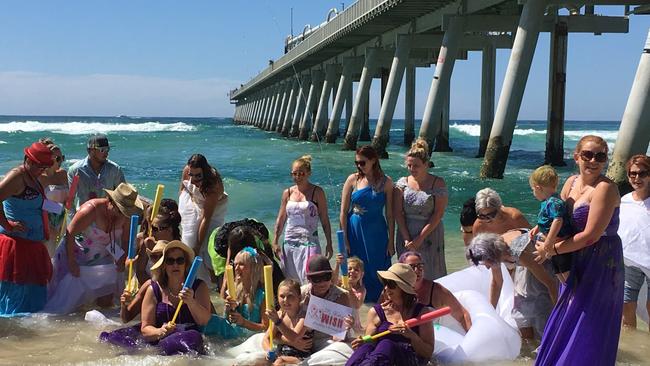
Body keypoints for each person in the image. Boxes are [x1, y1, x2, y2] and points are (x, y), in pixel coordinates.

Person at [533, 135, 623, 365]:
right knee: (569, 314)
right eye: (588, 155)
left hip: (600, 261)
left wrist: (551, 249)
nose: (593, 161)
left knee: (588, 322)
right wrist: (540, 229)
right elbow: (558, 216)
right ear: (576, 157)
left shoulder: (605, 189)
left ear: (605, 160)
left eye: (600, 156)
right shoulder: (571, 182)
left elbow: (590, 236)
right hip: (574, 257)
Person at [45, 183, 144, 313]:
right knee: (71, 303)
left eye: (125, 211)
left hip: (105, 253)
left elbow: (125, 240)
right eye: (120, 210)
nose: (121, 215)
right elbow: (69, 234)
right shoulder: (91, 209)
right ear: (111, 202)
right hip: (76, 253)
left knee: (106, 299)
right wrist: (71, 261)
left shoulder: (126, 216)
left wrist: (122, 258)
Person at [471, 188, 552, 341]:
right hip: (500, 255)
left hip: (524, 258)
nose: (487, 220)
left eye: (491, 215)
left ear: (499, 208)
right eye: (482, 216)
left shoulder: (514, 217)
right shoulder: (479, 226)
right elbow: (496, 278)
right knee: (516, 308)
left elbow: (532, 241)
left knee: (532, 299)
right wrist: (490, 313)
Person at [0, 142, 54, 314]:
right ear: (27, 160)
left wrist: (59, 209)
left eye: (45, 167)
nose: (42, 170)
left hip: (31, 246)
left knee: (32, 300)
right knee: (15, 298)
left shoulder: (33, 177)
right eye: (39, 166)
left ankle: (27, 339)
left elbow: (38, 204)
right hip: (17, 247)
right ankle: (12, 337)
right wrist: (7, 224)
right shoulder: (17, 177)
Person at [347, 263, 434, 366]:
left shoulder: (421, 312)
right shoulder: (376, 312)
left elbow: (428, 352)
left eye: (391, 284)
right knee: (366, 348)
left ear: (404, 289)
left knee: (387, 343)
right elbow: (371, 342)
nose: (386, 288)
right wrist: (364, 342)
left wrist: (411, 336)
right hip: (383, 359)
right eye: (385, 283)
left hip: (410, 358)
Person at [340, 145, 394, 302]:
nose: (359, 166)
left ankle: (379, 306)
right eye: (356, 163)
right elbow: (343, 212)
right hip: (355, 230)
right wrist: (344, 239)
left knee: (379, 269)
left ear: (373, 160)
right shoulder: (353, 179)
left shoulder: (387, 182)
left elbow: (390, 215)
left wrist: (391, 241)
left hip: (377, 231)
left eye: (362, 163)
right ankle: (357, 307)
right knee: (356, 270)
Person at [140, 240, 211, 355]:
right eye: (170, 261)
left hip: (192, 343)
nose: (175, 265)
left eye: (180, 260)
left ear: (186, 264)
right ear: (164, 265)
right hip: (164, 344)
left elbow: (204, 321)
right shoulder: (153, 290)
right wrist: (160, 331)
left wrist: (191, 302)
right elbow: (145, 328)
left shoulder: (199, 287)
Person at [273, 155, 333, 284]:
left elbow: (324, 219)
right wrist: (275, 240)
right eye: (294, 174)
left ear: (308, 174)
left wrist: (329, 242)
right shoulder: (287, 193)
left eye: (301, 173)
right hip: (289, 241)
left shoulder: (317, 192)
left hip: (309, 241)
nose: (298, 177)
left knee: (310, 277)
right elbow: (281, 218)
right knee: (290, 280)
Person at [394, 139, 448, 281]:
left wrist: (420, 238)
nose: (412, 169)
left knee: (430, 272)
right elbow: (398, 213)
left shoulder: (438, 183)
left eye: (416, 165)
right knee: (406, 273)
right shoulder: (402, 183)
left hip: (430, 233)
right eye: (409, 165)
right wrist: (407, 238)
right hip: (406, 233)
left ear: (426, 164)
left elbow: (438, 214)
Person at [179, 154, 228, 284]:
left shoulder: (213, 185)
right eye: (191, 175)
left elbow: (206, 218)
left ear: (204, 173)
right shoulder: (187, 171)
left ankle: (213, 285)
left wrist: (197, 246)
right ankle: (189, 280)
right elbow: (183, 188)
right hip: (193, 202)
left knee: (206, 249)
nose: (193, 179)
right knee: (188, 240)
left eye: (198, 176)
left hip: (214, 210)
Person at [204, 247, 269, 338]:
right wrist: (227, 310)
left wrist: (244, 322)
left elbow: (266, 327)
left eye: (241, 264)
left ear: (254, 268)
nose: (237, 268)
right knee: (212, 322)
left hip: (252, 339)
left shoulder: (262, 296)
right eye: (235, 264)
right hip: (235, 335)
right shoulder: (233, 290)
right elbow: (227, 320)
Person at [399, 251, 471, 332]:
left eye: (420, 266)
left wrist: (471, 338)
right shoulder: (394, 290)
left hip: (432, 339)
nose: (416, 270)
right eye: (411, 267)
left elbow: (462, 315)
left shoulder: (436, 290)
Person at [619, 154, 650, 330]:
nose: (637, 178)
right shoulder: (625, 200)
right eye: (632, 174)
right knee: (626, 305)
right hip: (629, 260)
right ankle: (633, 347)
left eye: (642, 173)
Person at [529, 165, 574, 283]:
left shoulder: (554, 202)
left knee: (564, 270)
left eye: (533, 190)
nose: (533, 193)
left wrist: (549, 241)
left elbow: (558, 220)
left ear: (538, 188)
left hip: (558, 241)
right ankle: (567, 292)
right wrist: (537, 228)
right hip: (553, 243)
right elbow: (546, 218)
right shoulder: (547, 201)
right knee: (558, 271)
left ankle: (574, 292)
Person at [301, 254, 351, 352]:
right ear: (309, 278)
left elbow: (340, 335)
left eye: (326, 277)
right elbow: (282, 323)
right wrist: (292, 342)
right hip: (302, 342)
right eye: (317, 279)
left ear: (331, 276)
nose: (322, 283)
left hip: (329, 342)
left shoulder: (341, 296)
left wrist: (347, 326)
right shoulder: (300, 294)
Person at [67, 134, 125, 217]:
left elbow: (122, 198)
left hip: (107, 220)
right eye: (102, 150)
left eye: (107, 149)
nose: (106, 153)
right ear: (90, 150)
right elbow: (69, 199)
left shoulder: (115, 170)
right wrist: (75, 221)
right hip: (84, 219)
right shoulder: (76, 170)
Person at [264, 279, 314, 365]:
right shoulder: (280, 314)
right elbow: (266, 338)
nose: (285, 300)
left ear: (299, 297)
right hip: (280, 354)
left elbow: (294, 337)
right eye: (282, 296)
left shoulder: (304, 315)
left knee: (280, 361)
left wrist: (277, 321)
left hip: (301, 357)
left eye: (290, 296)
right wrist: (269, 351)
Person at [120, 239, 168, 323]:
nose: (157, 260)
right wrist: (124, 304)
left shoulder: (185, 285)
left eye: (161, 256)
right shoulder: (149, 285)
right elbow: (126, 319)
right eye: (154, 256)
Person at [135, 199, 181, 284]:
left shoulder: (179, 250)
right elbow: (140, 272)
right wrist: (153, 291)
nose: (151, 231)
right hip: (149, 289)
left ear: (170, 229)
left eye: (155, 229)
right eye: (151, 227)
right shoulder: (147, 242)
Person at [38, 138, 69, 256]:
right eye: (58, 158)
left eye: (62, 158)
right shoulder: (40, 178)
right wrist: (59, 208)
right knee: (50, 255)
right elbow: (39, 203)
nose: (61, 161)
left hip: (63, 220)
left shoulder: (63, 174)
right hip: (47, 223)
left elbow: (68, 197)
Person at [332, 255, 367, 334]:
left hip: (353, 321)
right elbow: (333, 282)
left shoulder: (361, 290)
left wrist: (350, 289)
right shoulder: (340, 283)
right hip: (339, 318)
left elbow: (357, 305)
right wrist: (337, 265)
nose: (352, 271)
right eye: (349, 269)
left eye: (356, 270)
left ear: (361, 275)